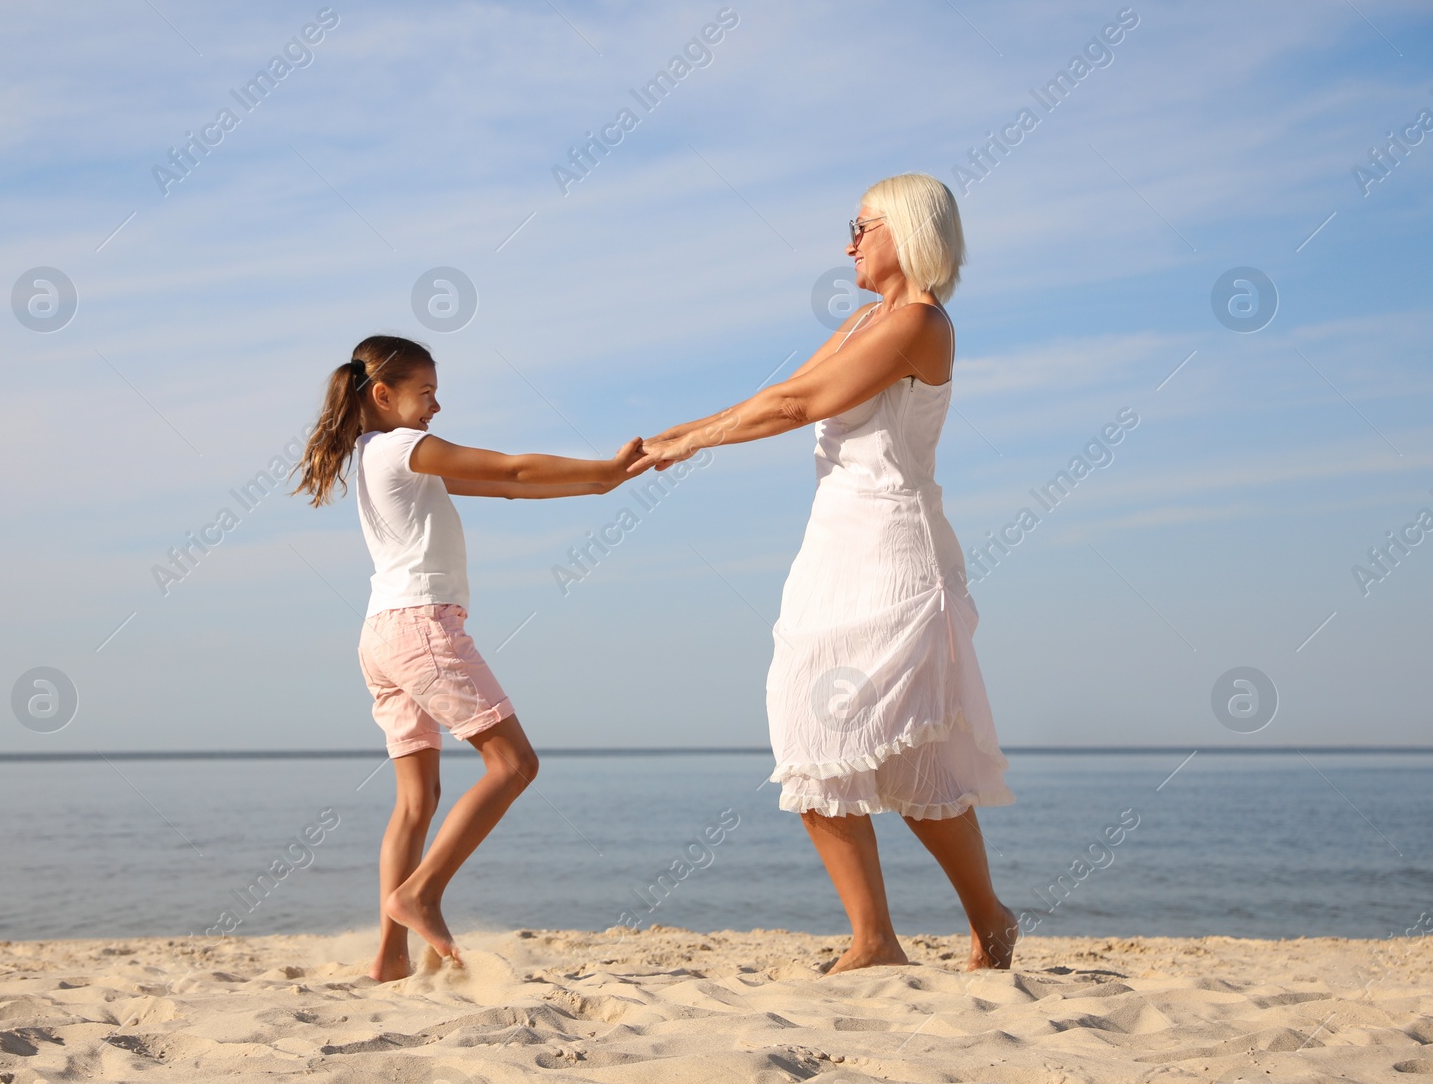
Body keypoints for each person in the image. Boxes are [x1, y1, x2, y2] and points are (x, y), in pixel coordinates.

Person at [642, 173, 1018, 973]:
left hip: (895, 557)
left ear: (909, 232)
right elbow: (782, 391)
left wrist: (691, 443)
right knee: (809, 736)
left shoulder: (920, 323)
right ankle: (875, 938)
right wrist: (689, 428)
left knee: (919, 763)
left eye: (862, 225)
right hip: (831, 556)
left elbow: (799, 405)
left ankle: (991, 923)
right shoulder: (864, 319)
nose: (848, 241)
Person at [294, 335, 646, 980]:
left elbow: (506, 487)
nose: (436, 405)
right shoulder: (402, 446)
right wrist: (601, 467)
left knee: (414, 803)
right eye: (425, 392)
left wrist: (599, 484)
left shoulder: (376, 454)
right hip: (422, 626)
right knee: (513, 763)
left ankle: (390, 955)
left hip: (381, 634)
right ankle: (420, 895)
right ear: (383, 395)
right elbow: (509, 467)